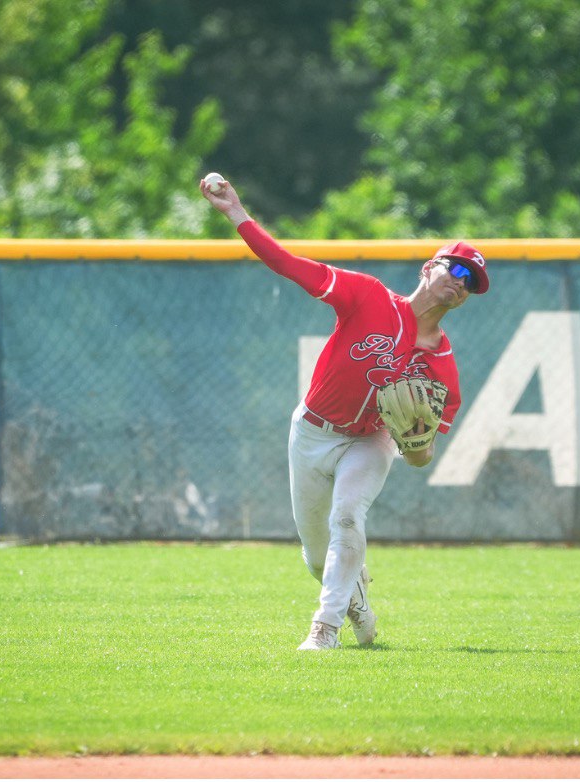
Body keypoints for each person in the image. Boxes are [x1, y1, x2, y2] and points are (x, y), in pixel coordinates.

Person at [200, 175, 490, 650]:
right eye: (454, 271)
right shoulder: (368, 296)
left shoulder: (441, 366)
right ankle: (358, 606)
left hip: (370, 441)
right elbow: (289, 265)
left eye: (469, 285)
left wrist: (416, 443)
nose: (459, 285)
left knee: (348, 519)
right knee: (316, 558)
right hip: (312, 432)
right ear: (428, 267)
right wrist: (237, 214)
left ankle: (325, 628)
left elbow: (422, 458)